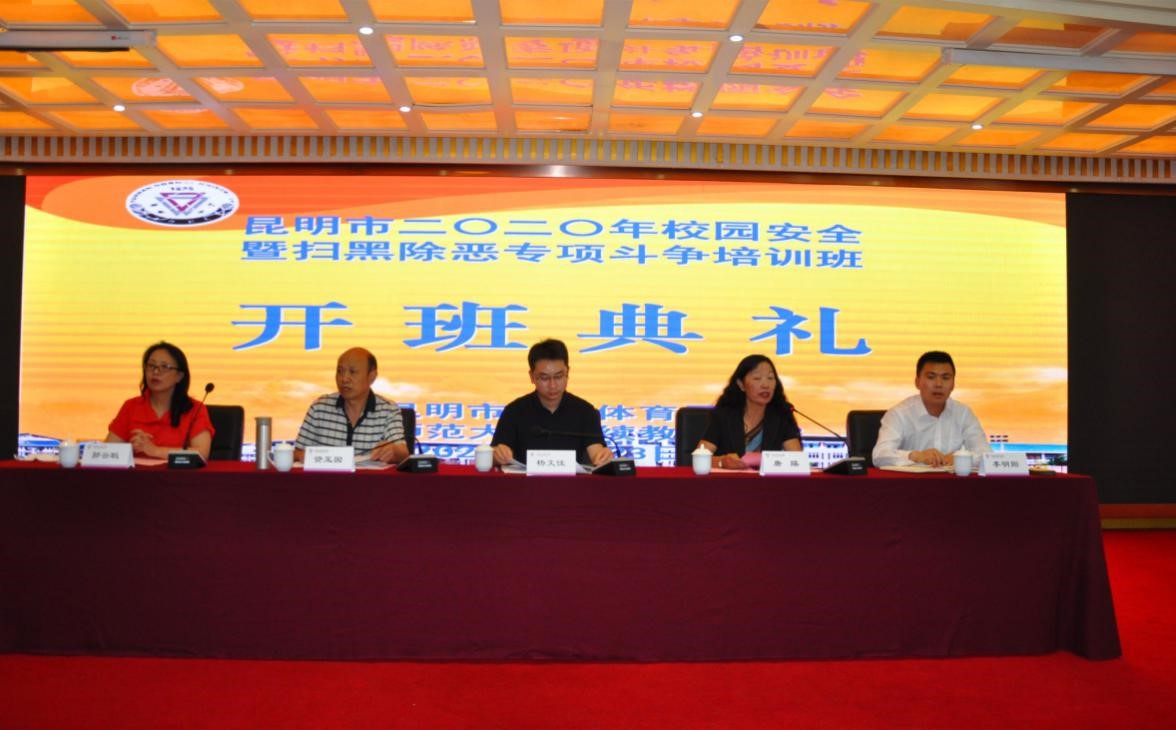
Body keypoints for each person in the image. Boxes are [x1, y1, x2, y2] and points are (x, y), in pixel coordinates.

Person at [491, 338, 614, 467]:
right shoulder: (514, 411)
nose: (553, 385)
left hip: (572, 480)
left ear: (568, 373)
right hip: (524, 480)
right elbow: (496, 453)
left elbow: (596, 452)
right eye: (544, 378)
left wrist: (602, 456)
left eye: (559, 376)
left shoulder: (585, 412)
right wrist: (498, 454)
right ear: (532, 376)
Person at [872, 350, 992, 468]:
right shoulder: (899, 414)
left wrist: (962, 457)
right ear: (917, 382)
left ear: (953, 384)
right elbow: (880, 455)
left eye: (945, 378)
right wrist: (915, 456)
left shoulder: (964, 414)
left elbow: (986, 454)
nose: (938, 384)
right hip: (912, 480)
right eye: (931, 377)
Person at [294, 347, 409, 464]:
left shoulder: (388, 410)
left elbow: (403, 453)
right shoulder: (319, 408)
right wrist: (308, 456)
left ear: (372, 377)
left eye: (352, 372)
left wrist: (393, 451)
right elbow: (297, 453)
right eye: (340, 371)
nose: (344, 379)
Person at [106, 341, 214, 460]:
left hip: (177, 472)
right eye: (151, 366)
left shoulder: (195, 409)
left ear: (179, 376)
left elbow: (202, 453)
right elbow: (108, 451)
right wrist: (129, 449)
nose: (156, 372)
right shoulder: (131, 406)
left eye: (164, 367)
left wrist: (155, 451)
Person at [697, 354, 802, 470]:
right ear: (741, 384)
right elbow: (699, 457)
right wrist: (722, 461)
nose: (765, 385)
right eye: (757, 378)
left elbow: (797, 460)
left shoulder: (782, 414)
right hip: (730, 480)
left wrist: (767, 460)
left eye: (770, 378)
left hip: (767, 481)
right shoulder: (724, 415)